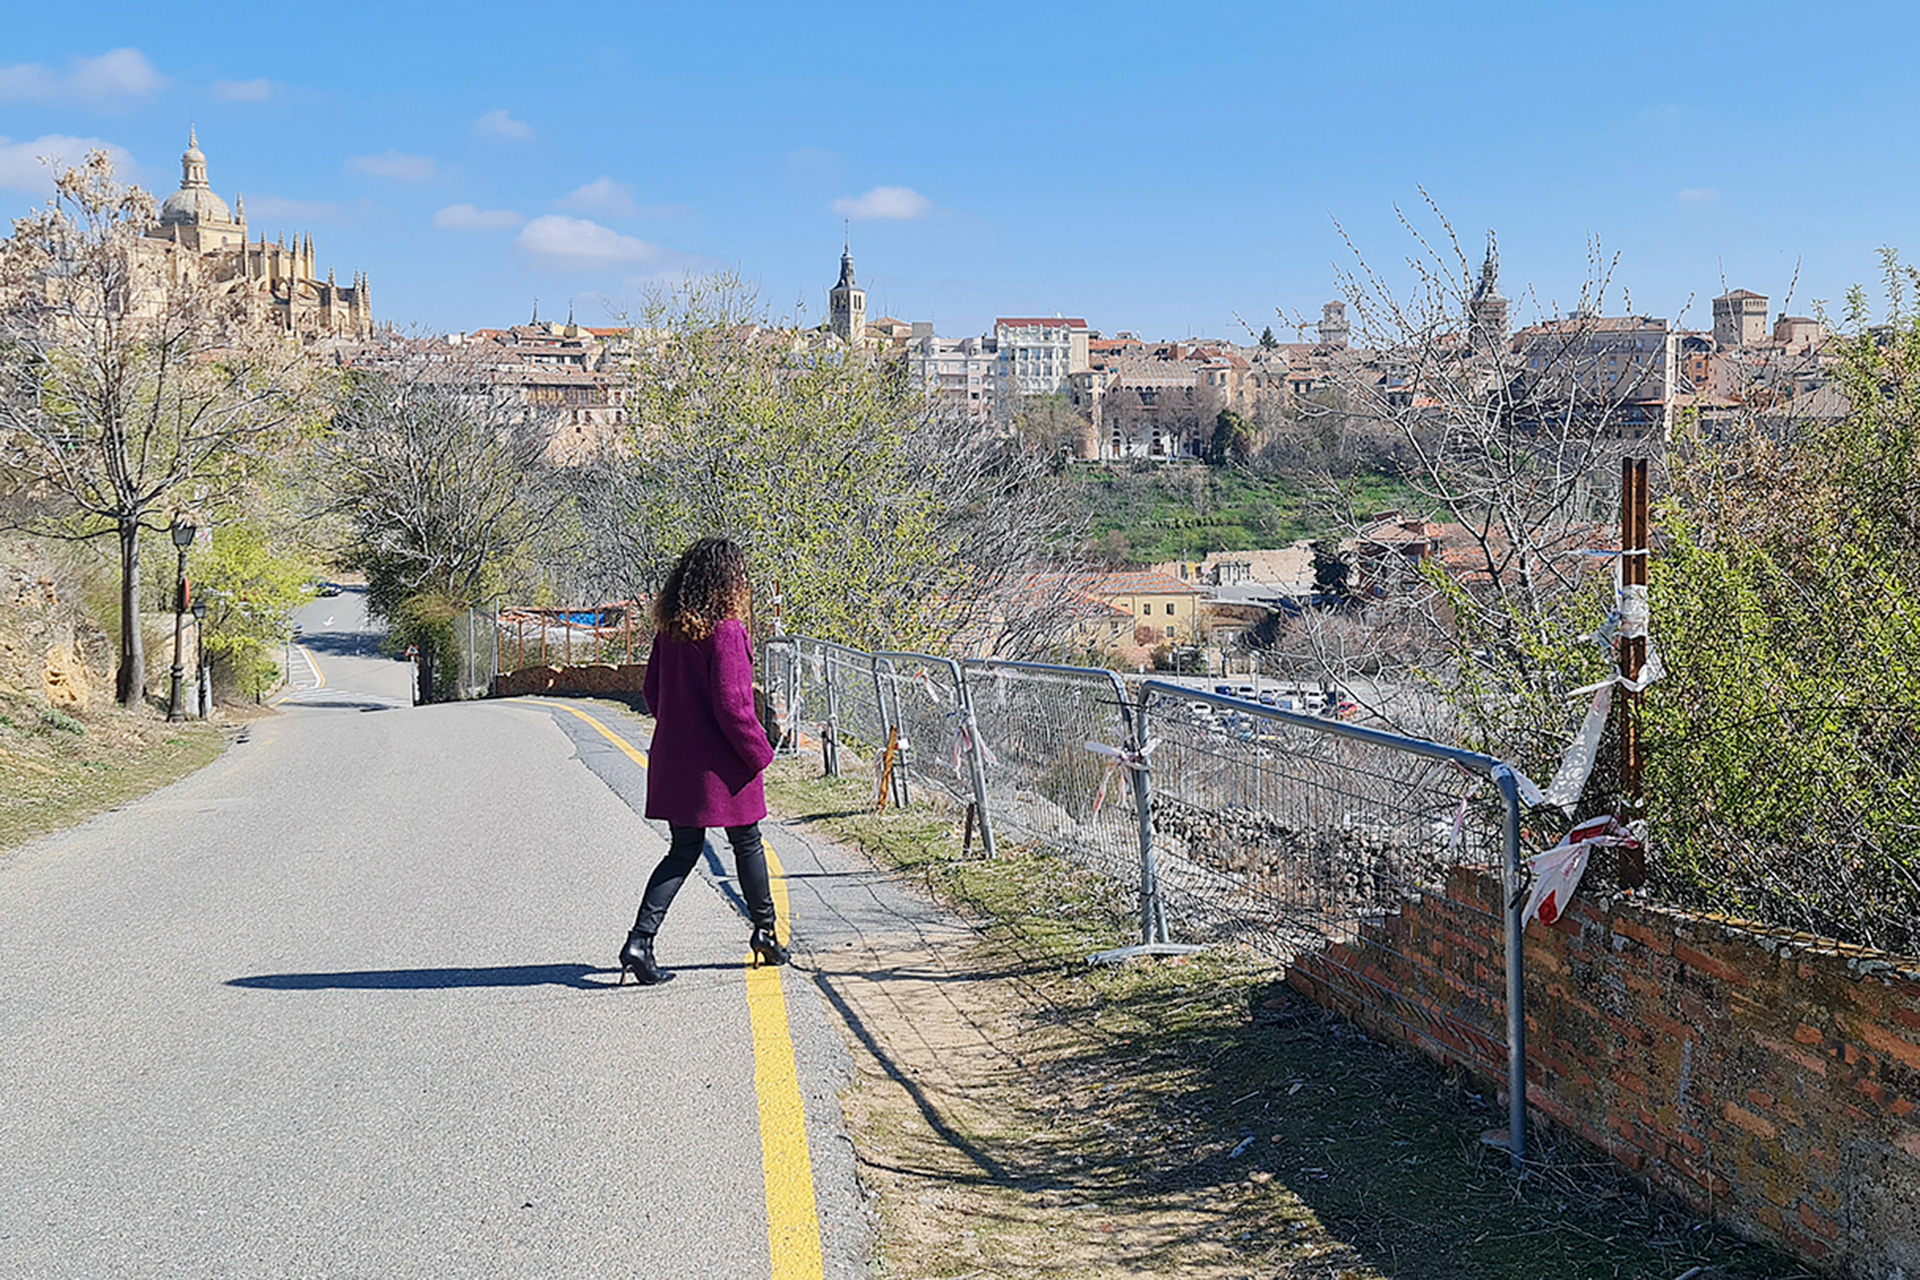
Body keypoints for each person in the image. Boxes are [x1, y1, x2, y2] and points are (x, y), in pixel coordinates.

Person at [619, 536, 788, 985]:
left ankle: (640, 941)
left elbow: (653, 694)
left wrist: (681, 726)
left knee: (682, 850)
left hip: (677, 759)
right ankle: (765, 933)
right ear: (728, 582)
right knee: (747, 842)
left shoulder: (671, 630)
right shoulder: (728, 632)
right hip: (723, 764)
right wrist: (760, 753)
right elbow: (735, 706)